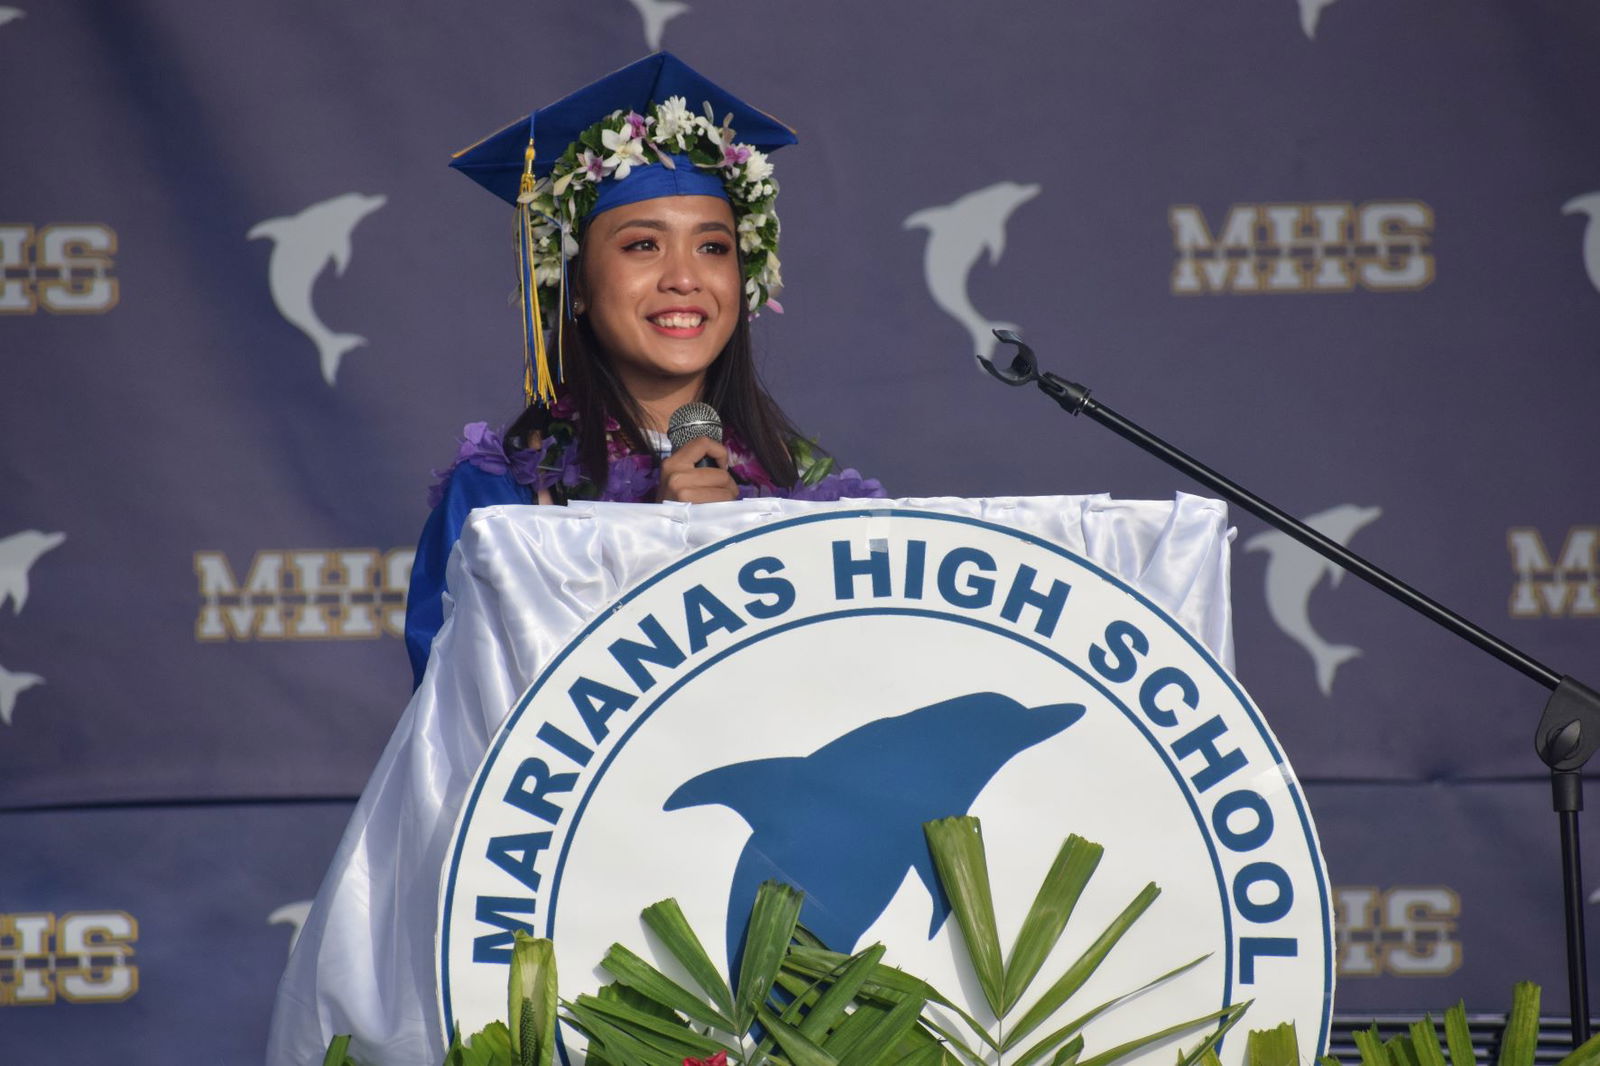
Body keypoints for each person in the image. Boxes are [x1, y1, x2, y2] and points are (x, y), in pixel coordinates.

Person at [406, 52, 885, 687]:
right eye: (643, 245)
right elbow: (466, 719)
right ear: (574, 284)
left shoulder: (802, 490)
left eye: (713, 247)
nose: (685, 279)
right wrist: (652, 547)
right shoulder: (503, 500)